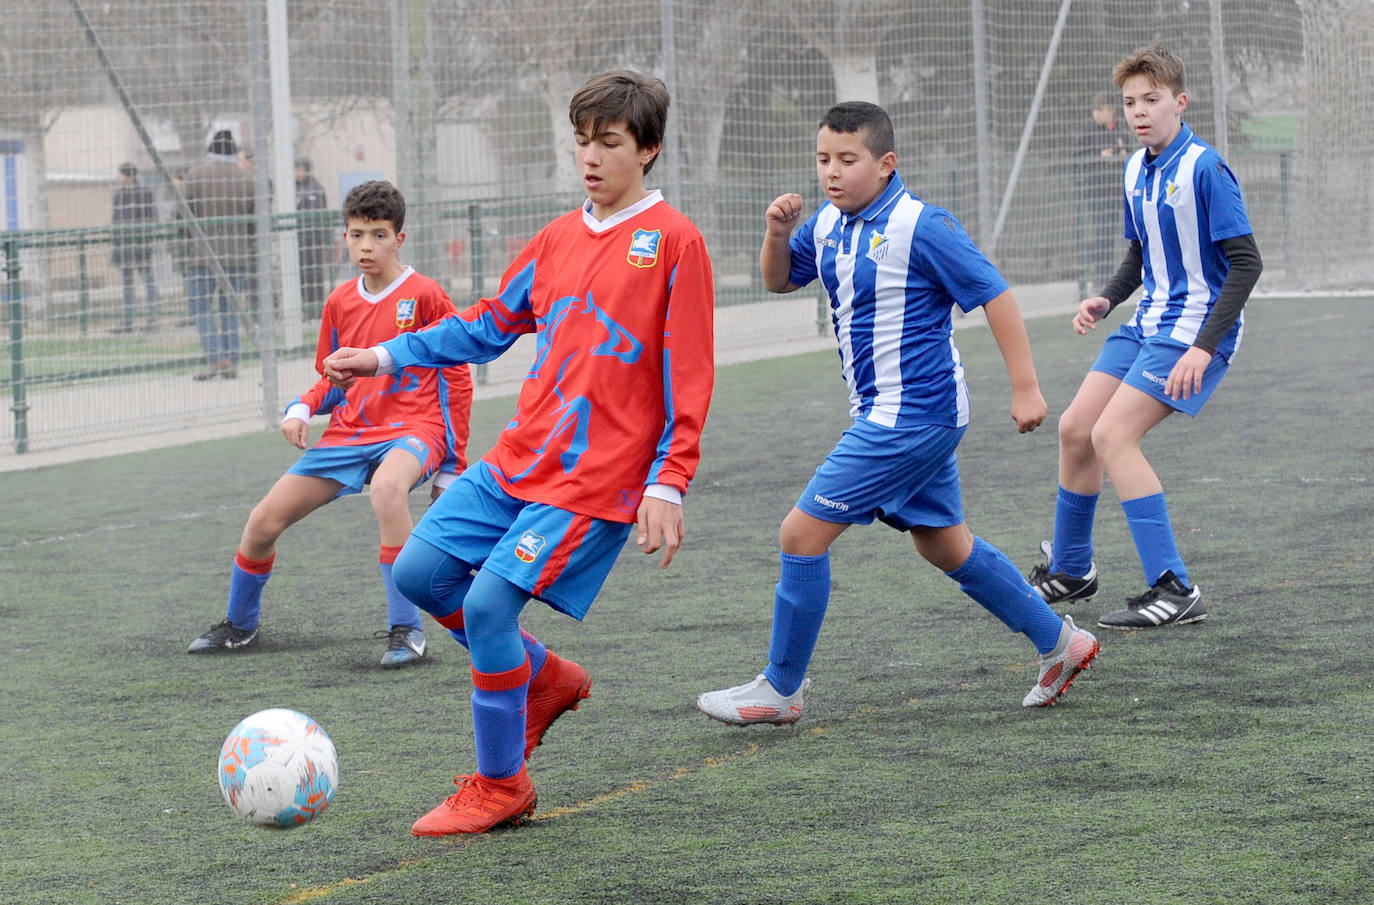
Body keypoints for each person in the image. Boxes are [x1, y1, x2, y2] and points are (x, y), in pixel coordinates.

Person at [322, 70, 715, 835]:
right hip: (518, 459)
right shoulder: (556, 240)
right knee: (419, 571)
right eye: (581, 142)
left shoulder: (675, 242)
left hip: (593, 479)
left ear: (650, 150)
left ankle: (502, 785)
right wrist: (382, 357)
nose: (591, 157)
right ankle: (546, 677)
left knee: (486, 606)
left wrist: (670, 479)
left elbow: (689, 372)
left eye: (609, 143)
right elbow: (483, 326)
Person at [696, 101, 1100, 729]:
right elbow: (778, 281)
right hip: (898, 415)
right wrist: (777, 233)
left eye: (847, 160)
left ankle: (780, 690)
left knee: (799, 536)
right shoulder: (827, 223)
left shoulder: (923, 225)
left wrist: (1026, 389)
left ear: (886, 165)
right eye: (824, 159)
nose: (832, 172)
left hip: (911, 417)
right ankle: (1060, 643)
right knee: (944, 545)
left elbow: (994, 294)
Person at [187, 180, 474, 668]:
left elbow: (457, 376)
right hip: (348, 434)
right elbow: (333, 377)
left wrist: (452, 466)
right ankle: (240, 625)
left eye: (379, 235)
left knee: (387, 492)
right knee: (262, 522)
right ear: (344, 235)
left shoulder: (425, 295)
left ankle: (407, 630)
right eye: (357, 234)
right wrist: (302, 408)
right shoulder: (340, 301)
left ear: (400, 238)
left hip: (414, 429)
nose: (366, 246)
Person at [1026, 45, 1262, 629]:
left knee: (1113, 436)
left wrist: (1203, 348)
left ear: (1180, 103)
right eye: (1131, 101)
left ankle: (1175, 588)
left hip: (1193, 332)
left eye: (1152, 100)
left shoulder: (1206, 169)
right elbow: (1140, 256)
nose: (1139, 111)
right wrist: (1107, 298)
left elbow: (1247, 263)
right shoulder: (1134, 167)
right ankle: (1073, 567)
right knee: (1076, 429)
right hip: (1146, 322)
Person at [181, 129, 253, 379]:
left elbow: (182, 214)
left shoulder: (195, 175)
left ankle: (215, 357)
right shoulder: (246, 179)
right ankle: (232, 360)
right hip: (237, 255)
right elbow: (254, 220)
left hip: (203, 255)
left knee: (201, 307)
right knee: (230, 309)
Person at [1075, 92, 1131, 286]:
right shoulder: (1088, 132)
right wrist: (1099, 155)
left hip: (1117, 193)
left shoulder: (1121, 132)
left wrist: (1122, 155)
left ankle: (1117, 277)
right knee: (1101, 234)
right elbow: (1078, 156)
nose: (1096, 114)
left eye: (1101, 109)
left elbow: (1128, 156)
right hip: (1097, 194)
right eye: (1095, 110)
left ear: (1111, 111)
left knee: (1119, 235)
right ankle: (1100, 278)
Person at [110, 162, 160, 333]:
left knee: (148, 282)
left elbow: (151, 217)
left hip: (140, 245)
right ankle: (128, 322)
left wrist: (143, 236)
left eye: (120, 174)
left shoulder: (144, 193)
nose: (118, 177)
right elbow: (115, 219)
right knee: (127, 284)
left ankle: (153, 320)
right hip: (123, 246)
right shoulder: (118, 195)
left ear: (128, 176)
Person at [294, 157, 331, 319]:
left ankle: (316, 312)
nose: (296, 172)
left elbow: (322, 214)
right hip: (297, 241)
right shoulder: (291, 189)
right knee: (301, 276)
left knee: (315, 275)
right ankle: (305, 310)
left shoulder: (316, 188)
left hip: (314, 240)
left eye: (299, 168)